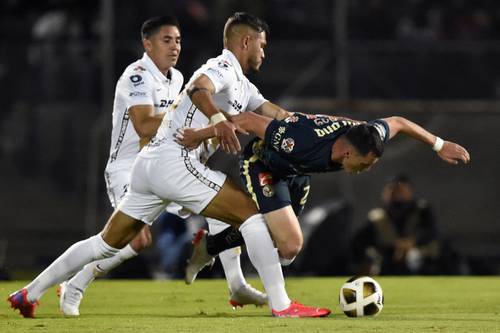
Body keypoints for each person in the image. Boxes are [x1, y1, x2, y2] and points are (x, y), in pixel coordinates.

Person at [8, 12, 330, 318]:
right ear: (245, 42)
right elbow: (198, 88)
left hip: (151, 166)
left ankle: (29, 293)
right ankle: (282, 304)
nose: (264, 52)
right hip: (171, 162)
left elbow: (271, 110)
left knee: (106, 243)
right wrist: (218, 120)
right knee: (248, 213)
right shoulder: (222, 67)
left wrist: (321, 128)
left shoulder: (241, 86)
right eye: (262, 45)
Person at [56, 15, 266, 317]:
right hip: (129, 167)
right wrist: (213, 120)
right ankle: (75, 283)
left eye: (178, 40)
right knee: (137, 239)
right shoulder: (137, 75)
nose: (175, 46)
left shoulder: (179, 79)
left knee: (222, 207)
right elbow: (143, 126)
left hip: (164, 164)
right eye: (167, 40)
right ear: (148, 44)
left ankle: (236, 283)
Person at [176, 110, 470, 280]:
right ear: (345, 152)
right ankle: (279, 304)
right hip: (264, 166)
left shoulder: (368, 135)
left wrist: (438, 144)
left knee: (283, 250)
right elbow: (248, 120)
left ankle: (211, 245)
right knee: (290, 245)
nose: (365, 169)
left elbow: (398, 122)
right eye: (364, 163)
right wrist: (199, 137)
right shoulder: (299, 140)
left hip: (296, 175)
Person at [352, 174, 459, 275]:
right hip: (389, 258)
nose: (397, 195)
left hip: (420, 255)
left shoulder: (421, 210)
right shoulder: (378, 216)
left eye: (401, 191)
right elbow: (360, 241)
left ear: (409, 191)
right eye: (392, 191)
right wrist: (368, 260)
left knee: (418, 257)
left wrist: (411, 242)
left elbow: (431, 232)